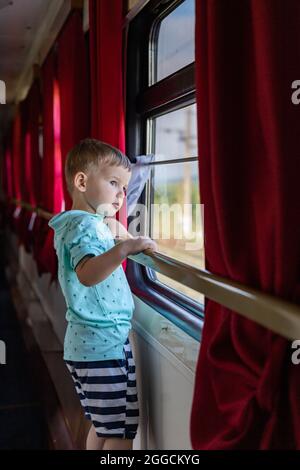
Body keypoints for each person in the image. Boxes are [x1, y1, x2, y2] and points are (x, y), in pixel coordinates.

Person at [48, 138, 157, 450]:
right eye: (113, 183)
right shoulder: (84, 228)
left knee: (102, 425)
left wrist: (116, 233)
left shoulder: (82, 224)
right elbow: (87, 273)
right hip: (102, 347)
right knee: (120, 435)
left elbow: (98, 245)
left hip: (88, 346)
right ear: (82, 181)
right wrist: (124, 248)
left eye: (125, 188)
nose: (121, 195)